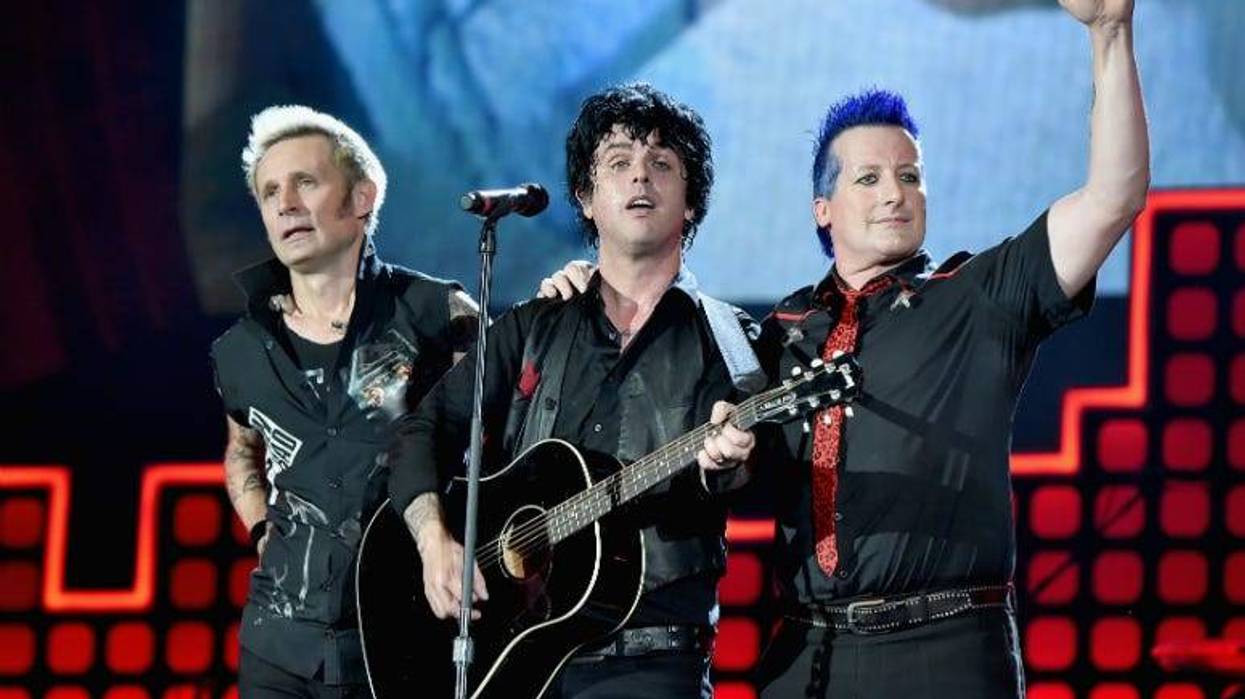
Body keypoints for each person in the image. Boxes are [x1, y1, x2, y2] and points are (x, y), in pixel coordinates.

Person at [752, 0, 1149, 696]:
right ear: (822, 205)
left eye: (909, 175)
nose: (894, 194)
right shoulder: (778, 332)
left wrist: (1108, 33)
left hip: (946, 652)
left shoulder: (977, 294)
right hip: (802, 657)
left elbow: (1113, 196)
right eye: (867, 178)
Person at [387, 83, 761, 698]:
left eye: (662, 164)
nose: (640, 176)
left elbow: (754, 473)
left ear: (691, 202)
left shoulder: (729, 338)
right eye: (618, 163)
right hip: (509, 655)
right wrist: (435, 541)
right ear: (586, 199)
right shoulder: (533, 325)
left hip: (651, 657)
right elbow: (419, 434)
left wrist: (729, 462)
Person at [212, 104, 478, 697]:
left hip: (402, 637)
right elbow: (241, 454)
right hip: (277, 648)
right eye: (270, 192)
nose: (285, 204)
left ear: (362, 197)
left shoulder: (441, 315)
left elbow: (508, 440)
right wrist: (260, 529)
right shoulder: (241, 350)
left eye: (305, 182)